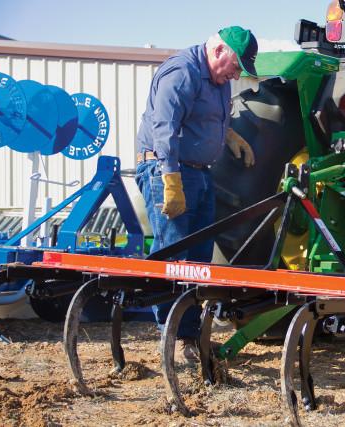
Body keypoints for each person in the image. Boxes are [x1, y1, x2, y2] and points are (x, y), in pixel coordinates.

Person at [135, 26, 258, 361]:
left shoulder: (218, 80)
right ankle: (174, 339)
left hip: (200, 174)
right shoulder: (182, 72)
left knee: (199, 262)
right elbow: (165, 126)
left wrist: (229, 136)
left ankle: (190, 339)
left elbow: (206, 117)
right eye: (235, 67)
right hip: (168, 171)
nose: (236, 74)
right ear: (218, 51)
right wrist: (170, 179)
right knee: (174, 260)